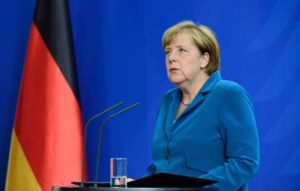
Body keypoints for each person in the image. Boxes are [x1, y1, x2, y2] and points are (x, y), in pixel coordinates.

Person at [145, 21, 260, 191]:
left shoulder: (228, 94)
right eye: (167, 52)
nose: (171, 58)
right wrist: (137, 186)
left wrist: (194, 189)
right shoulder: (169, 100)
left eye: (181, 51)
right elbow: (164, 164)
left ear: (204, 59)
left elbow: (245, 162)